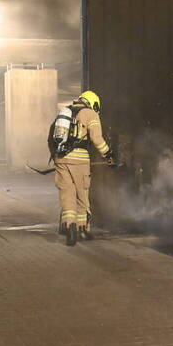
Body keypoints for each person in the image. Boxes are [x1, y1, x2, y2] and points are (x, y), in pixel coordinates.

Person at [49, 90, 114, 246]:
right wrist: (108, 154)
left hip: (61, 159)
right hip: (79, 161)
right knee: (81, 194)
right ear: (93, 103)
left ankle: (70, 228)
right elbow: (97, 139)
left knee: (67, 194)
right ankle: (82, 229)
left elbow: (52, 137)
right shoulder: (90, 114)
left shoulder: (65, 112)